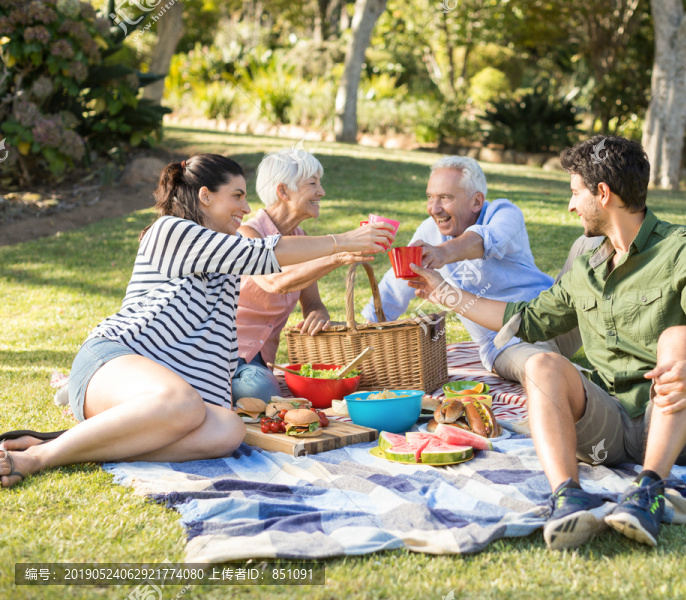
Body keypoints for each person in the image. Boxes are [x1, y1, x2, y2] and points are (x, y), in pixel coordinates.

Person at [406, 136, 686, 550]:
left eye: (574, 193)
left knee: (681, 337)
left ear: (602, 194)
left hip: (685, 426)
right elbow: (525, 318)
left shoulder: (685, 249)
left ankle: (648, 491)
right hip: (613, 428)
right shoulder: (587, 266)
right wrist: (444, 293)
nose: (570, 206)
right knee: (541, 365)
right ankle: (568, 497)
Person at [0, 154, 393, 489]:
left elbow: (217, 358)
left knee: (227, 428)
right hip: (112, 363)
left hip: (159, 400)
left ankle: (75, 441)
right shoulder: (171, 230)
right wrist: (344, 241)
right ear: (205, 196)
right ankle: (41, 457)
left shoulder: (223, 270)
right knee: (185, 403)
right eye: (236, 196)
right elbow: (262, 254)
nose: (244, 207)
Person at [361, 155, 602, 383]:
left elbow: (484, 240)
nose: (434, 208)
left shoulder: (504, 213)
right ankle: (583, 382)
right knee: (545, 370)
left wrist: (441, 252)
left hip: (556, 317)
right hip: (506, 343)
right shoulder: (428, 231)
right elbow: (395, 287)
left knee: (592, 242)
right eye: (430, 197)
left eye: (445, 198)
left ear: (477, 201)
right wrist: (364, 332)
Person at [231, 149, 373, 403]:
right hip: (229, 355)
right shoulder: (247, 234)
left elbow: (312, 302)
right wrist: (338, 255)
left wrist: (318, 313)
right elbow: (275, 281)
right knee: (261, 393)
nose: (321, 192)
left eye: (320, 182)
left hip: (262, 362)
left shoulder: (300, 237)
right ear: (283, 191)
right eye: (312, 183)